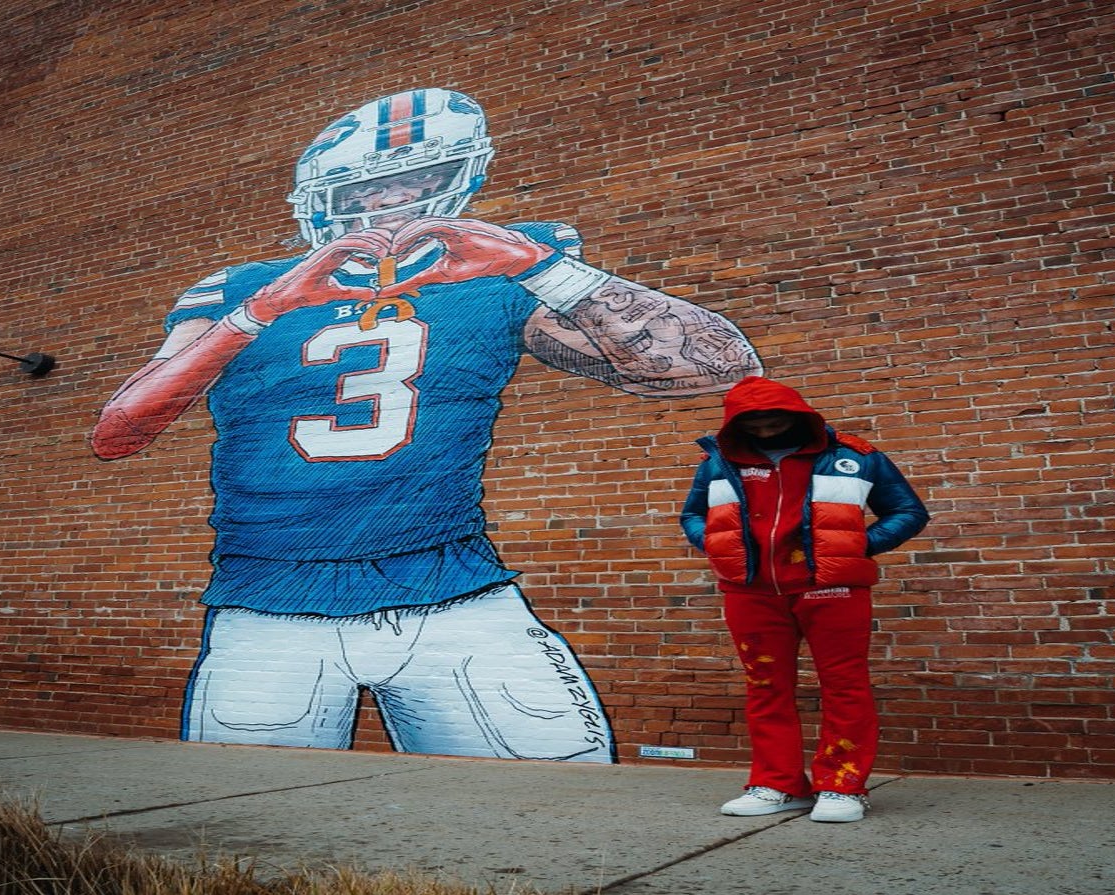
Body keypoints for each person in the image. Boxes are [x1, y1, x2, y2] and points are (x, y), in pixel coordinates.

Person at [93, 88, 761, 762]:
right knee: (240, 817)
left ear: (460, 180)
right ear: (320, 198)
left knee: (559, 792)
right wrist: (262, 311)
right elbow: (118, 431)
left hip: (456, 591)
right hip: (267, 600)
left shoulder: (503, 264)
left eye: (417, 183)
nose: (388, 206)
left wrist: (545, 270)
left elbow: (718, 368)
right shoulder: (239, 288)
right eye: (365, 191)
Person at [680, 375, 928, 821]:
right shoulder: (718, 464)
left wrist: (858, 546)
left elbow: (909, 511)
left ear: (799, 413)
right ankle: (777, 784)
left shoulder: (855, 456)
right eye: (751, 422)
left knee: (844, 686)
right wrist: (716, 545)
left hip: (833, 590)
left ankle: (843, 786)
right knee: (765, 687)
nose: (764, 427)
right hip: (750, 592)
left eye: (773, 418)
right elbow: (692, 514)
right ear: (737, 424)